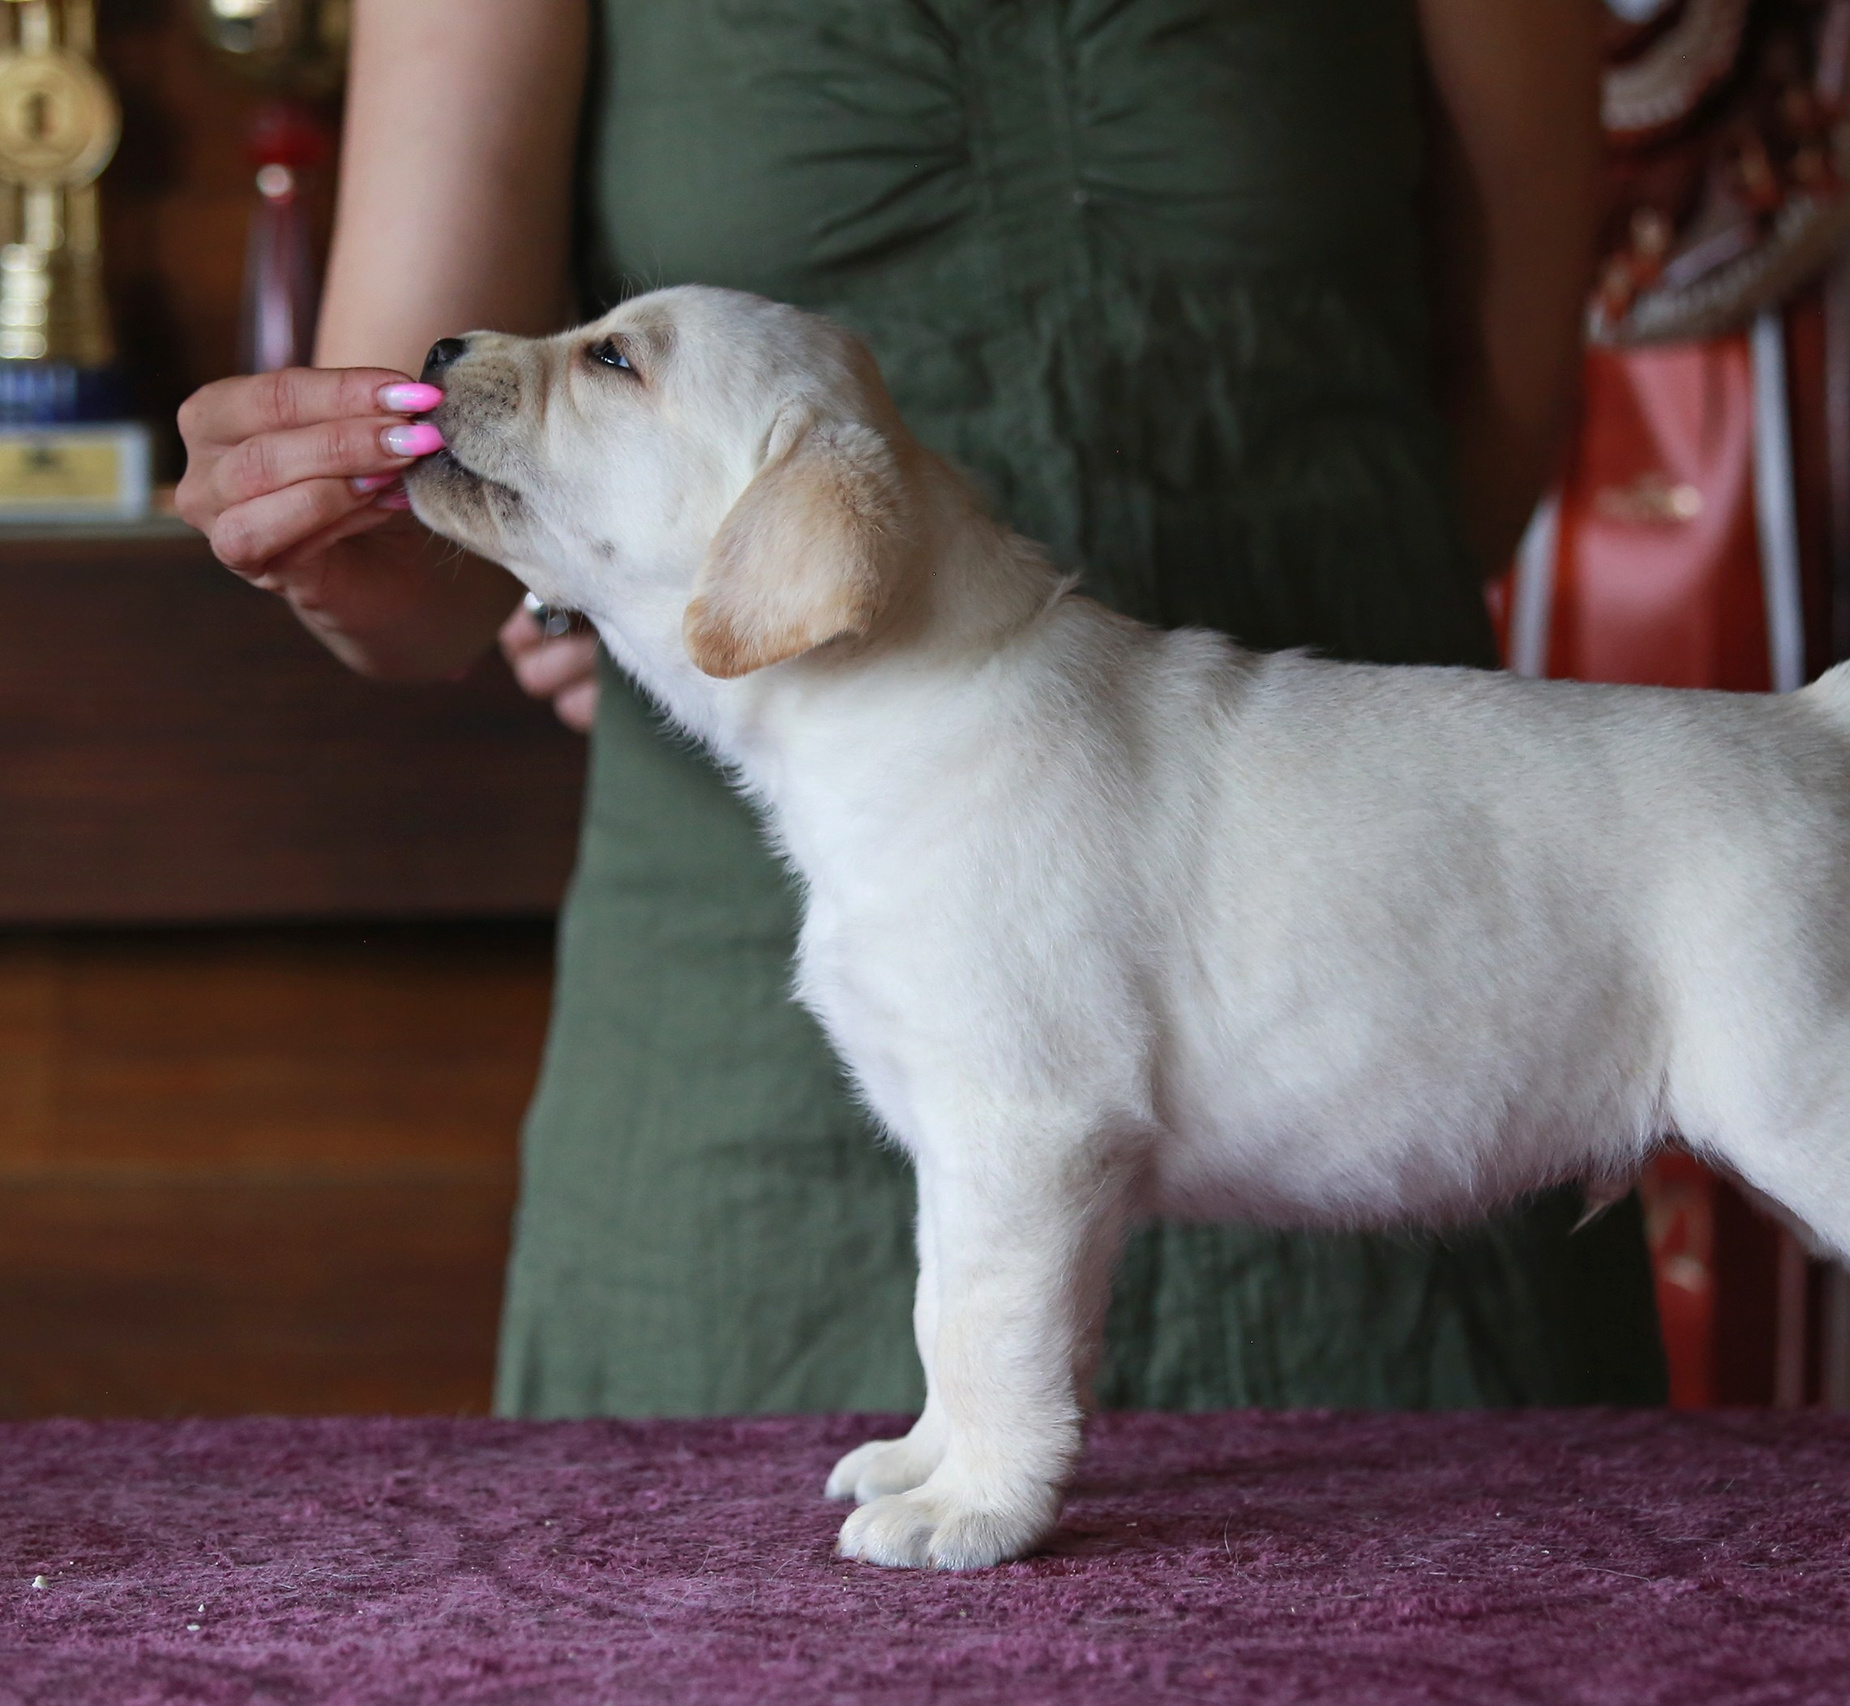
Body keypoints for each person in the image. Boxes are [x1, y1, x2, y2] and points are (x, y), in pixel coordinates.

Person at [175, 0, 1665, 1417]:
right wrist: (384, 544)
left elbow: (1493, 430)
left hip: (1367, 971)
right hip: (763, 1048)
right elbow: (428, 526)